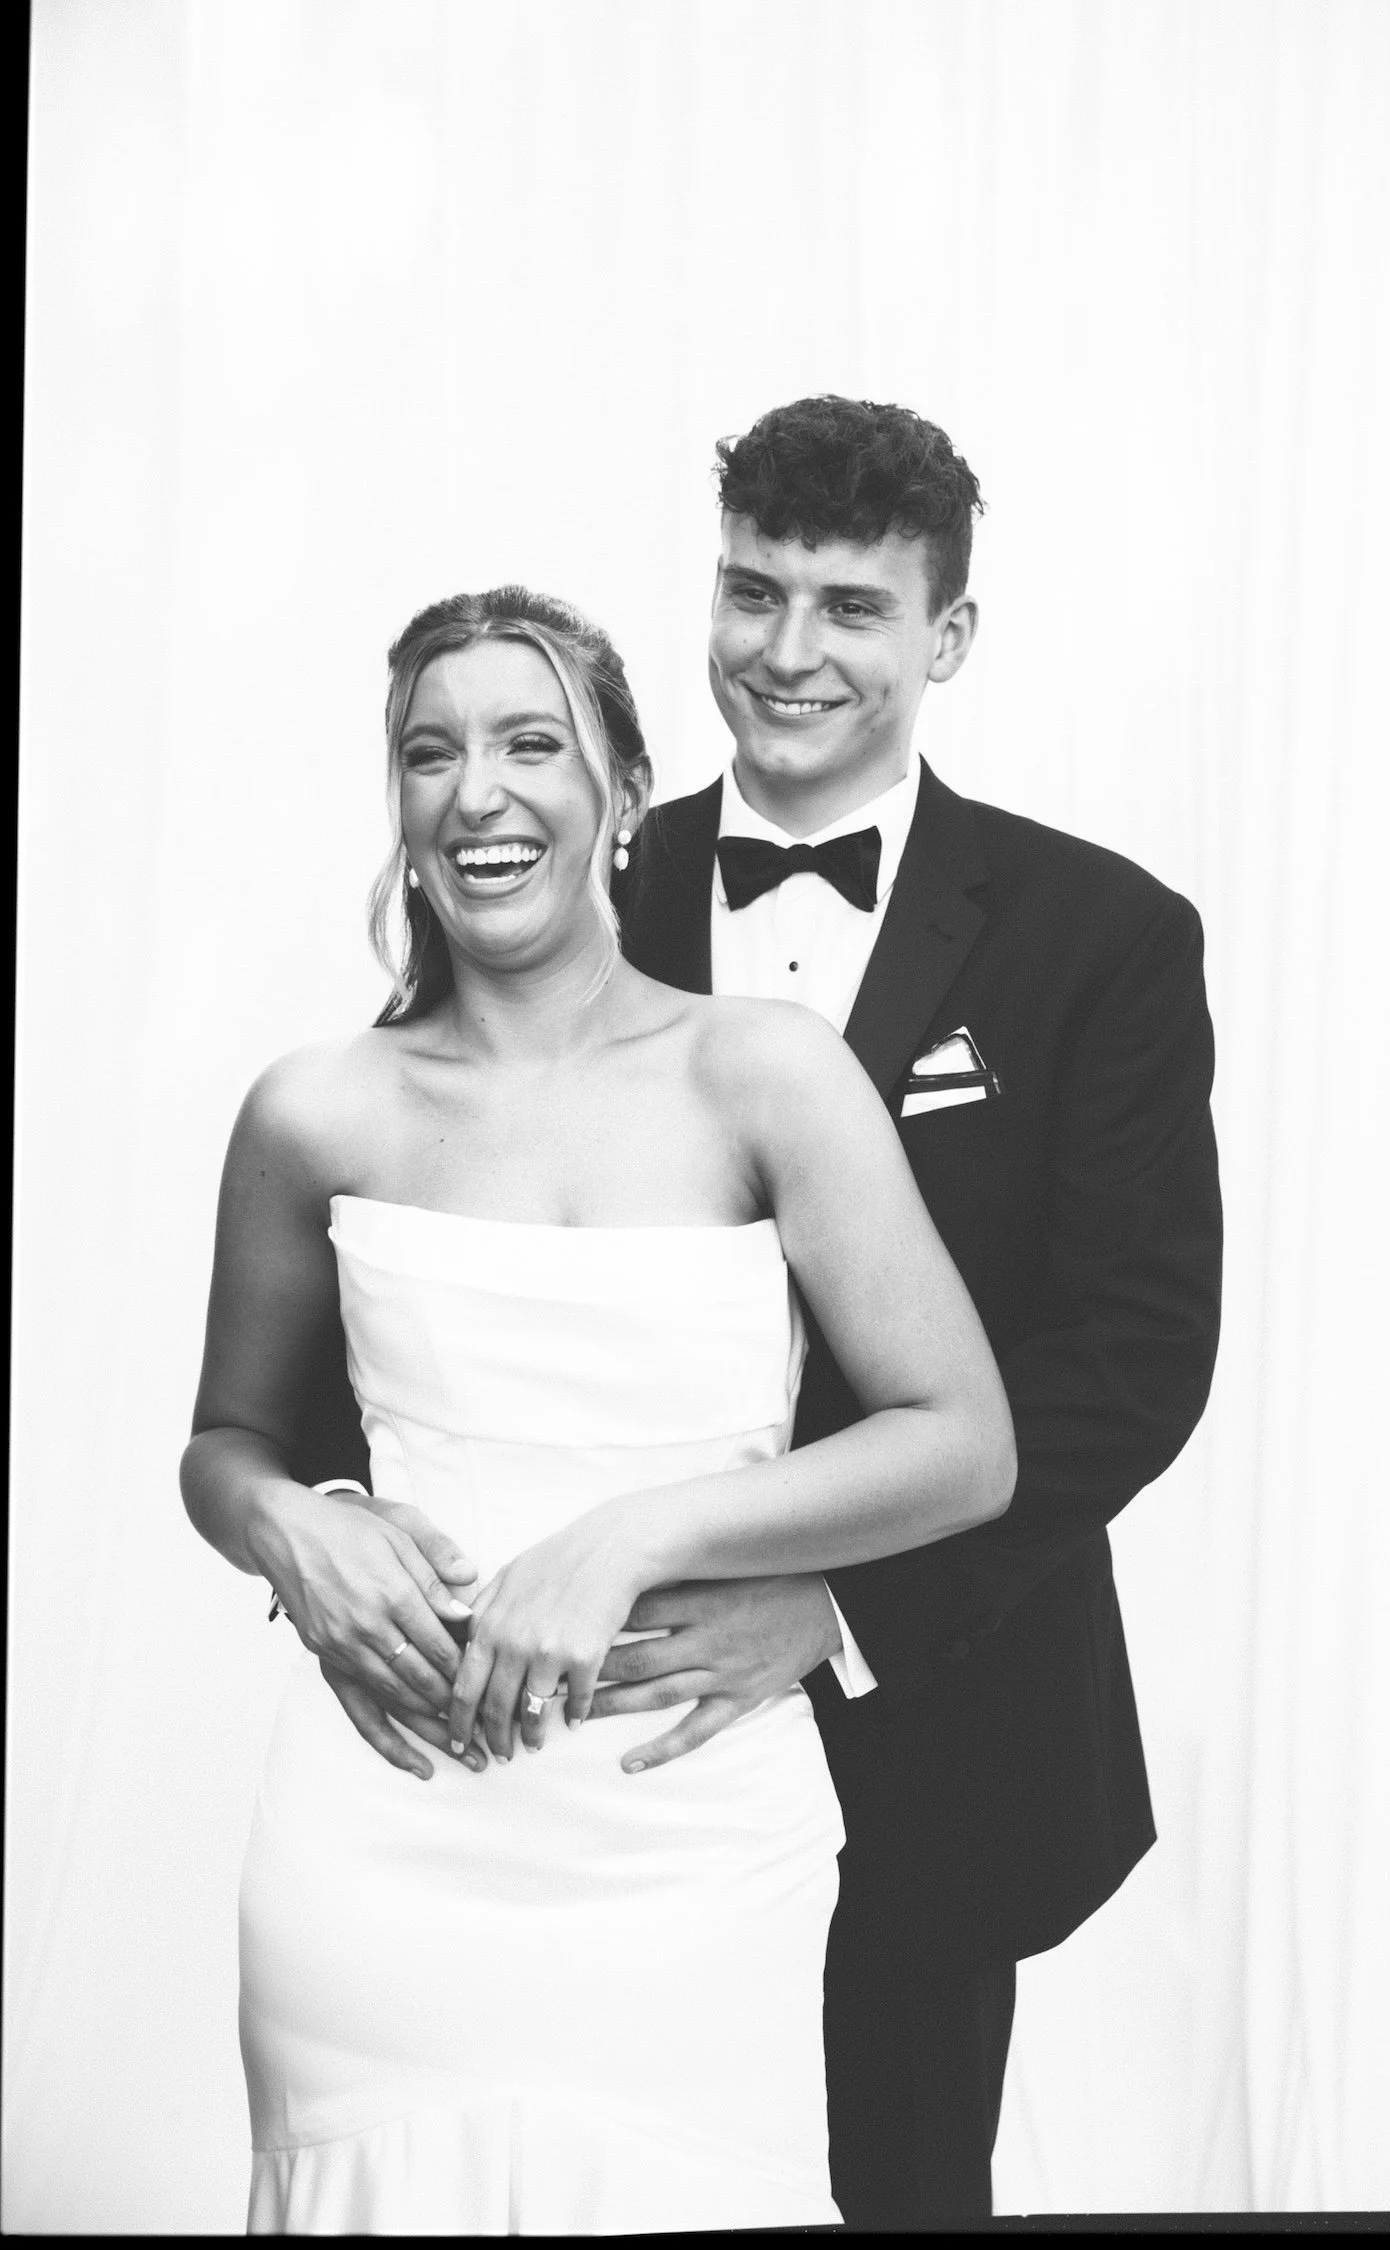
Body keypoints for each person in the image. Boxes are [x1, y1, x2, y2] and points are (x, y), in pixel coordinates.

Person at [306, 396, 1224, 2229]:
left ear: (946, 636)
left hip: (934, 1726)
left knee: (889, 2188)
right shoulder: (551, 869)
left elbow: (1133, 1359)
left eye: (851, 608)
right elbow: (399, 1209)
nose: (787, 652)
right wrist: (334, 1528)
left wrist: (842, 1606)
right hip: (551, 1730)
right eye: (753, 592)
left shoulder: (1096, 932)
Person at [181, 584, 1015, 2236]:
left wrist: (637, 1534)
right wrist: (296, 1523)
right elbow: (225, 1444)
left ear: (626, 793)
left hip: (687, 1823)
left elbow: (962, 1438)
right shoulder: (311, 1108)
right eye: (430, 753)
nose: (475, 791)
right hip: (383, 1821)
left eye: (528, 744)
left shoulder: (763, 1072)